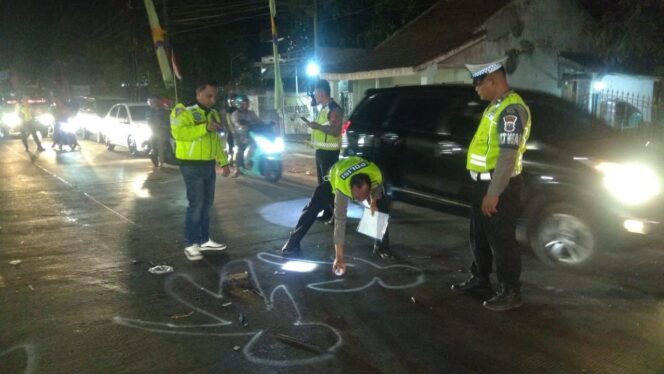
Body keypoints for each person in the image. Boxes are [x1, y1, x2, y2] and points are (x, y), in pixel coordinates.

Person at [450, 57, 531, 312]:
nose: (475, 88)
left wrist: (493, 193)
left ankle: (510, 290)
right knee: (479, 235)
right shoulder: (494, 107)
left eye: (478, 82)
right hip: (482, 184)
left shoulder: (511, 110)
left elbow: (507, 155)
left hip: (500, 187)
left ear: (493, 79)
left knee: (502, 239)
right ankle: (481, 278)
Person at [281, 156, 393, 274]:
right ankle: (292, 244)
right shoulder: (342, 187)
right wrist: (339, 258)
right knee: (312, 208)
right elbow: (340, 222)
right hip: (335, 174)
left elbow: (377, 187)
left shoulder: (375, 173)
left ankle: (382, 246)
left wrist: (373, 203)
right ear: (350, 189)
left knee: (382, 207)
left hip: (358, 168)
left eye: (362, 197)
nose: (359, 200)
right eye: (355, 197)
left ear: (369, 186)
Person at [170, 80, 231, 261]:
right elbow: (179, 134)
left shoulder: (213, 114)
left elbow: (217, 141)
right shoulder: (183, 112)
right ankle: (191, 244)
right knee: (196, 204)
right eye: (208, 96)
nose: (212, 100)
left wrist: (224, 162)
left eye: (214, 96)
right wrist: (204, 127)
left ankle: (204, 240)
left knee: (207, 204)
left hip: (208, 164)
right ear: (198, 94)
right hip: (191, 165)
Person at [303, 79, 343, 222]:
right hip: (321, 151)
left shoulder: (334, 109)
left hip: (329, 154)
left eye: (315, 93)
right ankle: (327, 212)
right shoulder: (324, 108)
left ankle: (335, 215)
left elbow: (335, 131)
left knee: (330, 185)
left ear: (321, 92)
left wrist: (317, 126)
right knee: (322, 186)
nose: (314, 96)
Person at [229, 94, 260, 177]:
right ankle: (237, 169)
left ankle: (253, 162)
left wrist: (267, 125)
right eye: (245, 103)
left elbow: (258, 121)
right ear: (240, 104)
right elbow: (236, 123)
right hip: (240, 135)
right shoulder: (235, 114)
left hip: (251, 134)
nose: (247, 105)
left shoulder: (251, 113)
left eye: (247, 103)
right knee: (241, 148)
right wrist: (240, 125)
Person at [148, 96, 171, 167]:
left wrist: (165, 126)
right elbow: (150, 121)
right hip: (156, 131)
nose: (152, 104)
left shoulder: (163, 111)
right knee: (151, 140)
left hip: (164, 131)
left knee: (160, 144)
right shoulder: (152, 111)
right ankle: (154, 153)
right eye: (151, 102)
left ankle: (161, 161)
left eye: (153, 102)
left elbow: (168, 120)